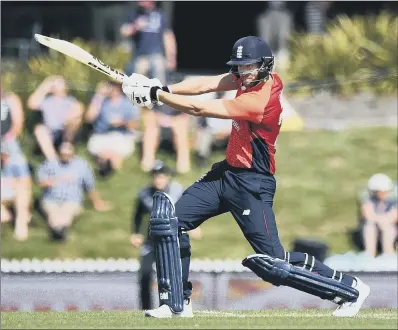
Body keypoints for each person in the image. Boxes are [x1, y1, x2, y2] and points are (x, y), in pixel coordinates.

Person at [122, 36, 370, 318]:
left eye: (249, 66)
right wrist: (161, 87)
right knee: (169, 223)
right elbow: (207, 84)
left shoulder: (260, 100)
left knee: (275, 265)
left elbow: (199, 108)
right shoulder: (249, 79)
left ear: (265, 66)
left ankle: (350, 288)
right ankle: (178, 301)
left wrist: (156, 97)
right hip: (225, 175)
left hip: (253, 183)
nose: (243, 72)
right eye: (240, 67)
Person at [130, 160, 202, 310]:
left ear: (167, 177)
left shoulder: (177, 191)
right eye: (155, 176)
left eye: (161, 176)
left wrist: (194, 226)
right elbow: (137, 215)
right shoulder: (145, 194)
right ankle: (146, 308)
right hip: (152, 242)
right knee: (145, 274)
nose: (158, 179)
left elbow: (188, 209)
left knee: (174, 275)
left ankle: (178, 304)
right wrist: (135, 233)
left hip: (172, 242)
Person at [36, 142, 111, 241]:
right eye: (63, 154)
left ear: (74, 154)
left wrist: (97, 203)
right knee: (53, 212)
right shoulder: (49, 164)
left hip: (72, 199)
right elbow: (40, 183)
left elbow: (90, 187)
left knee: (67, 212)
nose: (65, 156)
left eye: (68, 154)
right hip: (51, 199)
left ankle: (58, 230)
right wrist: (55, 180)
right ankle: (59, 230)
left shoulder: (82, 166)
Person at [85, 80, 141, 177]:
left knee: (117, 154)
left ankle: (109, 168)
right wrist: (98, 95)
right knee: (100, 151)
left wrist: (122, 122)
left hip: (121, 135)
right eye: (110, 86)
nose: (112, 89)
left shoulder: (128, 103)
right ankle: (105, 167)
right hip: (101, 135)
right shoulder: (100, 101)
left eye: (115, 86)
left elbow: (135, 125)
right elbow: (88, 118)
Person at [140, 73, 191, 174]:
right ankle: (147, 163)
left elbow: (185, 114)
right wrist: (160, 119)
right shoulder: (155, 91)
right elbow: (148, 111)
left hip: (176, 122)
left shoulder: (183, 94)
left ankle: (183, 166)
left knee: (180, 128)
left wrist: (172, 121)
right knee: (150, 129)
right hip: (158, 121)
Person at [27, 76, 84, 160]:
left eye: (59, 83)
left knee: (74, 121)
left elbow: (78, 112)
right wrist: (45, 86)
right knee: (39, 129)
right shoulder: (46, 101)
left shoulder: (71, 101)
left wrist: (68, 119)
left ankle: (67, 146)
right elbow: (31, 104)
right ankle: (53, 161)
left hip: (65, 133)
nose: (56, 86)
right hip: (49, 133)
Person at [120, 0, 177, 81]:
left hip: (157, 56)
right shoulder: (135, 14)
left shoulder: (160, 15)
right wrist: (135, 26)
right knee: (138, 85)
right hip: (140, 56)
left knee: (159, 85)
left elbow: (168, 37)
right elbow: (123, 31)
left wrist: (171, 58)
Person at [358, 173, 398, 257]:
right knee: (369, 226)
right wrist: (380, 220)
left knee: (388, 227)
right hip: (375, 224)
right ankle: (369, 254)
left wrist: (384, 221)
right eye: (379, 192)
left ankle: (388, 254)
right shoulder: (367, 196)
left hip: (390, 226)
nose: (382, 194)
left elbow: (394, 216)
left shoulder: (394, 196)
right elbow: (367, 214)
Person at [1, 140, 32, 241]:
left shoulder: (18, 161)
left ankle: (21, 228)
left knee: (22, 192)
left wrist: (9, 183)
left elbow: (25, 181)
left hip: (13, 193)